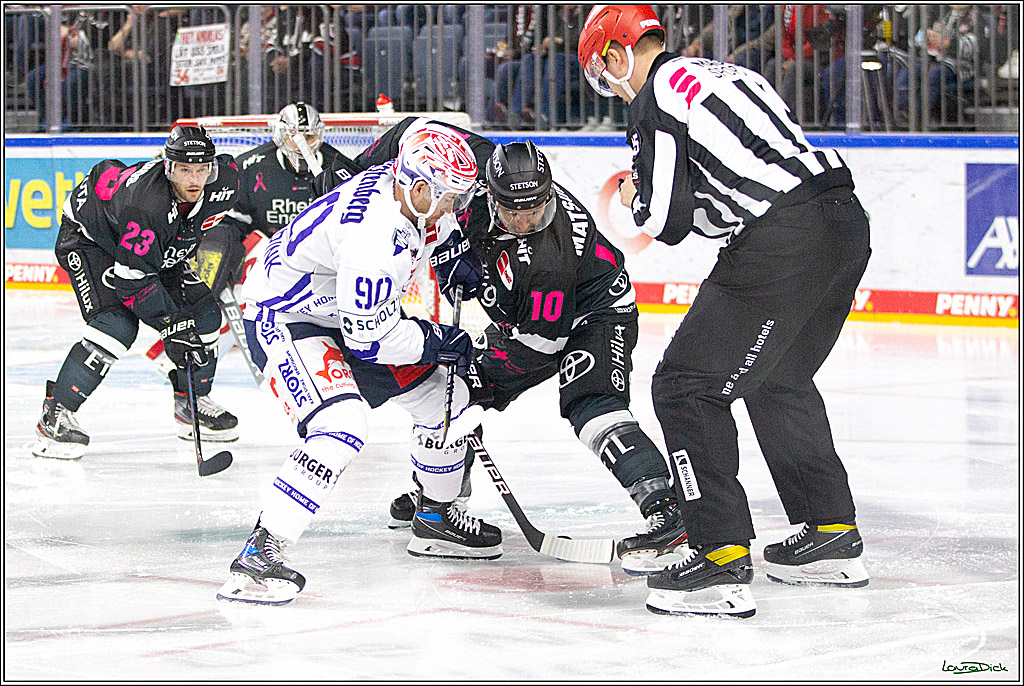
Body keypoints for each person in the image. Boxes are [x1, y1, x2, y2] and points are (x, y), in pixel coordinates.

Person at [579, 5, 872, 617]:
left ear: (615, 55)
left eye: (606, 76)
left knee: (685, 386)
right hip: (843, 220)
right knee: (780, 381)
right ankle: (830, 534)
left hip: (782, 238)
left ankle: (718, 557)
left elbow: (662, 222)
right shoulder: (730, 76)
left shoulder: (654, 97)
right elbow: (724, 200)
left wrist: (635, 200)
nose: (613, 89)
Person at [335, 118, 688, 575]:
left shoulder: (551, 258)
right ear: (488, 190)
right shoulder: (477, 165)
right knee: (454, 391)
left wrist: (477, 353)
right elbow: (414, 129)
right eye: (513, 212)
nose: (523, 222)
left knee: (589, 402)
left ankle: (665, 510)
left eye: (535, 211)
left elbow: (540, 343)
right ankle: (439, 499)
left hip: (593, 313)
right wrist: (358, 170)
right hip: (530, 317)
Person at [218, 123, 501, 606]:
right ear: (418, 188)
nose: (456, 208)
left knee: (442, 396)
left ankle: (435, 516)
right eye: (452, 198)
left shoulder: (406, 185)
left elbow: (433, 226)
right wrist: (436, 339)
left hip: (337, 311)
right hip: (286, 317)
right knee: (341, 425)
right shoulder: (374, 237)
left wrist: (454, 261)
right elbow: (371, 339)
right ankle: (260, 554)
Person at [33, 125, 241, 460]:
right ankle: (55, 413)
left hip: (155, 247)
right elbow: (132, 283)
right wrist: (171, 324)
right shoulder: (146, 205)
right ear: (168, 167)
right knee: (116, 325)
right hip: (93, 240)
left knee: (205, 317)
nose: (194, 180)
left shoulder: (227, 181)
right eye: (185, 170)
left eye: (202, 169)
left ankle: (192, 403)